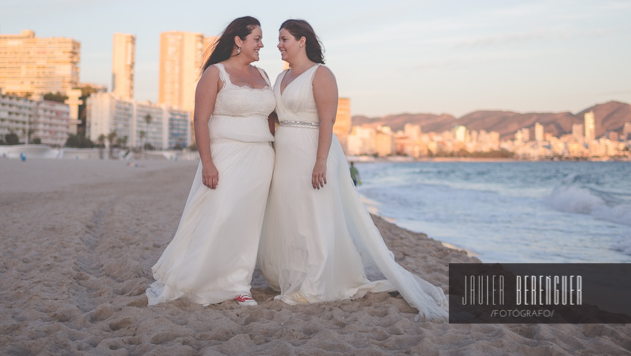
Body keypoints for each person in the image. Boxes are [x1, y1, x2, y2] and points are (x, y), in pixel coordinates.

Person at [257, 19, 448, 319]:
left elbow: (327, 121)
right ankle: (290, 273)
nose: (278, 44)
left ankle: (316, 281)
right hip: (285, 153)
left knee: (314, 213)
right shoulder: (280, 78)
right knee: (289, 213)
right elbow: (273, 117)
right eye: (278, 40)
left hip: (313, 150)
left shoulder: (321, 74)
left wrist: (320, 160)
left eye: (284, 39)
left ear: (302, 40)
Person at [147, 16, 276, 307]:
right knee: (219, 215)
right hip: (226, 156)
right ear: (239, 41)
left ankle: (239, 283)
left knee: (248, 222)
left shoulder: (264, 75)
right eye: (257, 38)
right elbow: (200, 120)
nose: (262, 44)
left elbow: (271, 120)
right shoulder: (214, 74)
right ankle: (195, 276)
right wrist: (207, 163)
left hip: (261, 157)